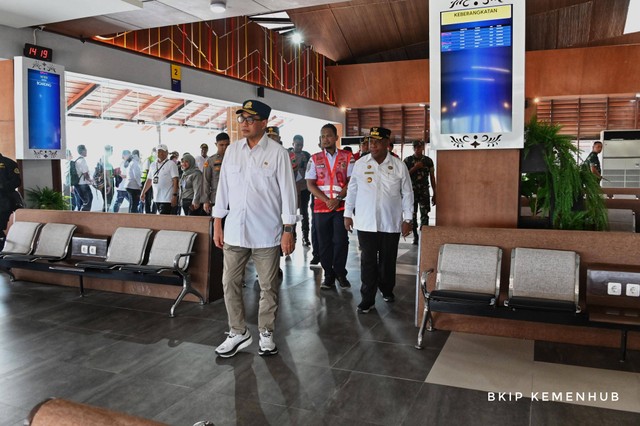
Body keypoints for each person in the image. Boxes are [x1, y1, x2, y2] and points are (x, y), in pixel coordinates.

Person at [212, 99, 297, 358]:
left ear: (264, 122)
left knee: (268, 286)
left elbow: (288, 194)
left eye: (250, 119)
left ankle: (266, 332)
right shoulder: (233, 151)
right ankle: (237, 331)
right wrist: (218, 222)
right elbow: (223, 190)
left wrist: (288, 229)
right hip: (235, 231)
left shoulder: (277, 153)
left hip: (266, 232)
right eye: (242, 119)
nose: (244, 124)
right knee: (229, 282)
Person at [344, 127, 414, 313]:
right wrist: (347, 214)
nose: (372, 145)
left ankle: (386, 289)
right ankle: (367, 299)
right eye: (370, 141)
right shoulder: (360, 164)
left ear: (386, 143)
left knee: (387, 261)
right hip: (366, 222)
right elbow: (352, 190)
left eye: (376, 141)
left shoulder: (399, 166)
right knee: (367, 261)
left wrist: (408, 218)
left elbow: (407, 193)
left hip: (390, 222)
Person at [306, 123, 354, 290]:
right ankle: (328, 275)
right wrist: (327, 200)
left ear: (336, 138)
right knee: (324, 242)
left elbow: (352, 182)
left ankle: (340, 272)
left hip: (340, 207)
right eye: (322, 136)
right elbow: (310, 184)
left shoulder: (348, 157)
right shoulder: (314, 158)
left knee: (341, 241)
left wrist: (339, 197)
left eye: (328, 135)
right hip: (321, 208)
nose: (325, 139)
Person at [403, 140, 436, 245]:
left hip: (424, 192)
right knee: (412, 215)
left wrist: (435, 193)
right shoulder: (407, 161)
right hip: (411, 192)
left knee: (425, 215)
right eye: (415, 147)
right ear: (413, 148)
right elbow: (403, 177)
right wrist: (415, 168)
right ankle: (416, 237)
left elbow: (432, 177)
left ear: (423, 148)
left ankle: (424, 237)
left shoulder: (428, 161)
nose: (417, 149)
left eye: (419, 147)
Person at [140, 144, 179, 215]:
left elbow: (175, 181)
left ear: (167, 153)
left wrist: (174, 195)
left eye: (162, 151)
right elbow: (149, 180)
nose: (160, 153)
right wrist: (143, 192)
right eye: (158, 151)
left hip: (167, 199)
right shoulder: (153, 164)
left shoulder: (171, 164)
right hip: (156, 198)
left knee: (164, 219)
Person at [202, 132, 230, 215]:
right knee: (217, 225)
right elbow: (205, 181)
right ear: (216, 144)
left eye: (227, 144)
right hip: (216, 198)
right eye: (221, 145)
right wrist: (206, 201)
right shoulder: (210, 161)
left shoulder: (235, 159)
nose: (224, 147)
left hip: (232, 198)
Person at [292, 135, 311, 246]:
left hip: (304, 188)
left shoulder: (306, 155)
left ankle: (305, 236)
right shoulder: (288, 155)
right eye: (297, 145)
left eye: (301, 145)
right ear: (293, 144)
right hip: (292, 188)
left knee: (304, 212)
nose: (299, 147)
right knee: (292, 213)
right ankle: (292, 235)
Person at [0, 153, 21, 250]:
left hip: (3, 203)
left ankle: (3, 254)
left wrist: (2, 186)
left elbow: (16, 181)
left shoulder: (8, 163)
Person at [75, 145, 93, 211]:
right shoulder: (82, 160)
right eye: (86, 150)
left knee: (81, 203)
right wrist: (91, 181)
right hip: (83, 184)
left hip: (77, 185)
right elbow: (85, 173)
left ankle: (80, 218)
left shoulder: (76, 160)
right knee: (88, 200)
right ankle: (85, 218)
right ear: (83, 151)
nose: (86, 151)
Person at [140, 147, 157, 213]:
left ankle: (153, 212)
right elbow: (147, 172)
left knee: (154, 198)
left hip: (154, 182)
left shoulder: (156, 160)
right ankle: (147, 212)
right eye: (155, 151)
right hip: (146, 182)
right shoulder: (148, 160)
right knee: (148, 199)